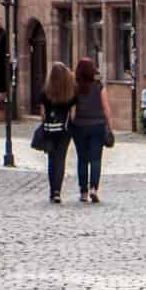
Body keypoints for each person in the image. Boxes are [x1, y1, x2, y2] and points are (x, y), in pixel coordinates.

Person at [36, 62, 76, 204]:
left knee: (51, 160)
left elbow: (42, 111)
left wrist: (45, 121)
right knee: (61, 159)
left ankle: (52, 191)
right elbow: (72, 111)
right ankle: (58, 191)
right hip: (64, 129)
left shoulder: (46, 90)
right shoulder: (69, 90)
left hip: (49, 128)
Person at [71, 58, 110, 203]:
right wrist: (109, 126)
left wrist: (73, 122)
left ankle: (83, 192)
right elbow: (106, 108)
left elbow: (72, 109)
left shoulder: (74, 87)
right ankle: (94, 188)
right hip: (97, 125)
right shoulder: (99, 86)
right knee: (95, 159)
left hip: (79, 126)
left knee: (82, 159)